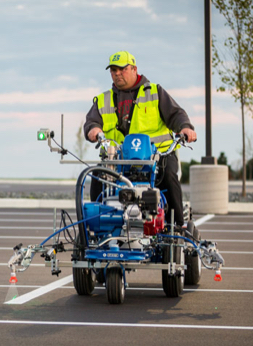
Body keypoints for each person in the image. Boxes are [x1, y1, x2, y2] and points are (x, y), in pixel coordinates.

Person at [84, 50, 197, 226]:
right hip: (120, 158)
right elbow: (92, 122)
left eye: (122, 69)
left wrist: (185, 128)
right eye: (113, 70)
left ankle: (178, 227)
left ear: (134, 69)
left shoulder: (155, 92)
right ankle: (96, 226)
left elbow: (176, 114)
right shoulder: (103, 99)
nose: (117, 73)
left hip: (158, 156)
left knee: (169, 176)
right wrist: (93, 130)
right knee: (98, 175)